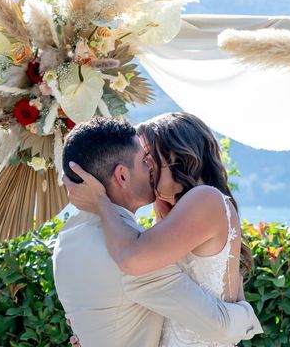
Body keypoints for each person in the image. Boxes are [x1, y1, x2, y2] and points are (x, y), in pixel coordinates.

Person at [53, 117, 262, 347]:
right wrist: (245, 314)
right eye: (144, 161)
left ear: (177, 159)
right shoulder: (130, 246)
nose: (149, 168)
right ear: (122, 175)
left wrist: (100, 200)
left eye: (149, 159)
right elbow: (220, 328)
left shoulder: (69, 237)